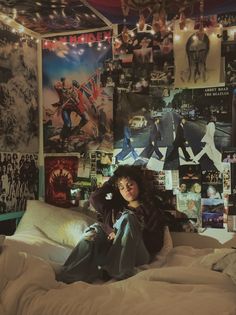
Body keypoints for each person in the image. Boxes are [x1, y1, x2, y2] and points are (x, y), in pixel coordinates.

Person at [56, 165, 169, 283]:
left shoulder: (151, 210)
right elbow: (95, 198)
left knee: (128, 217)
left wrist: (124, 233)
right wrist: (113, 179)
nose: (127, 190)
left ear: (138, 184)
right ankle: (68, 275)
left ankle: (120, 272)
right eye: (121, 187)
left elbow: (155, 245)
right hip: (111, 252)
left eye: (130, 185)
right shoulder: (114, 208)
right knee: (95, 230)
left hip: (137, 255)